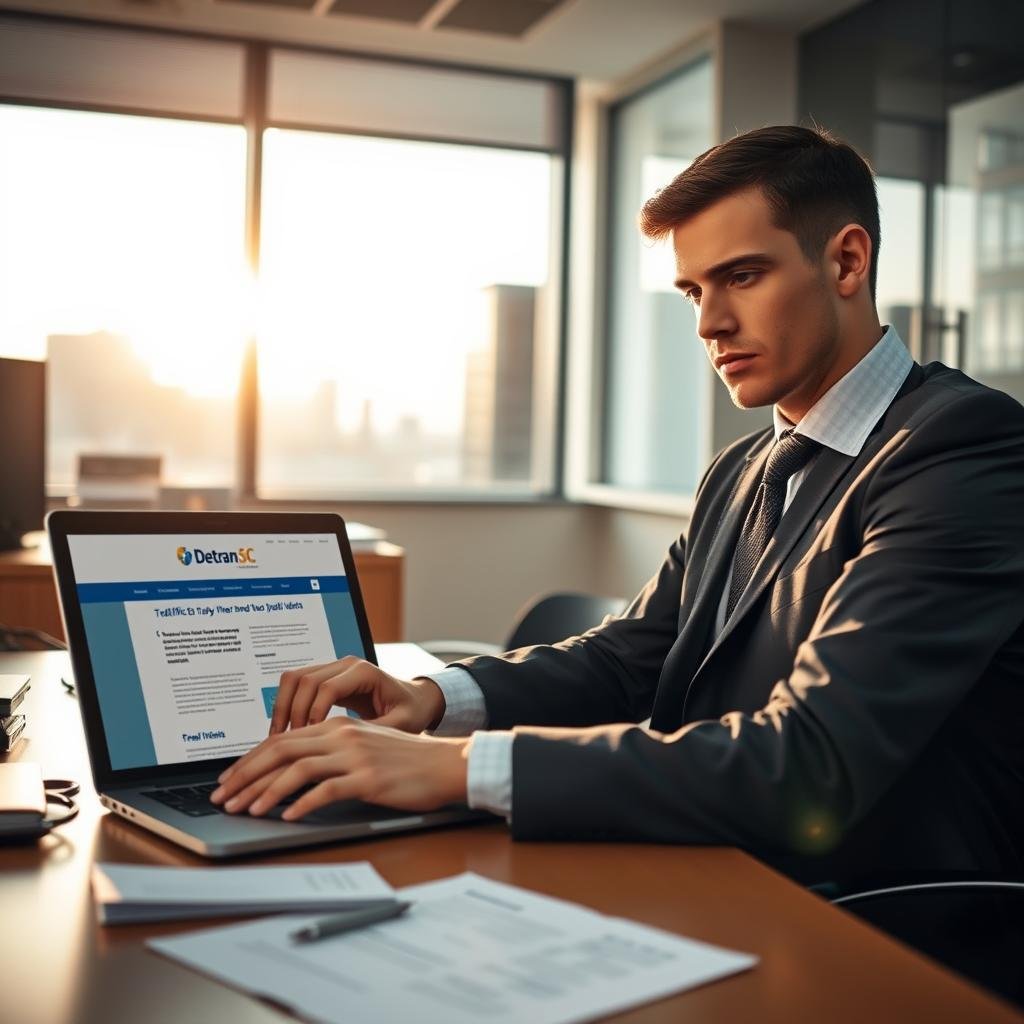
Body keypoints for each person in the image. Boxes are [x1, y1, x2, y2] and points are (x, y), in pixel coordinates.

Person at [212, 125, 1024, 886]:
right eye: (692, 290)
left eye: (743, 276)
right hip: (705, 862)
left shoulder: (963, 449)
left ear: (846, 262)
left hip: (866, 917)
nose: (710, 323)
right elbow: (630, 658)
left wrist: (457, 768)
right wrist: (432, 700)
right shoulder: (742, 470)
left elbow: (811, 762)